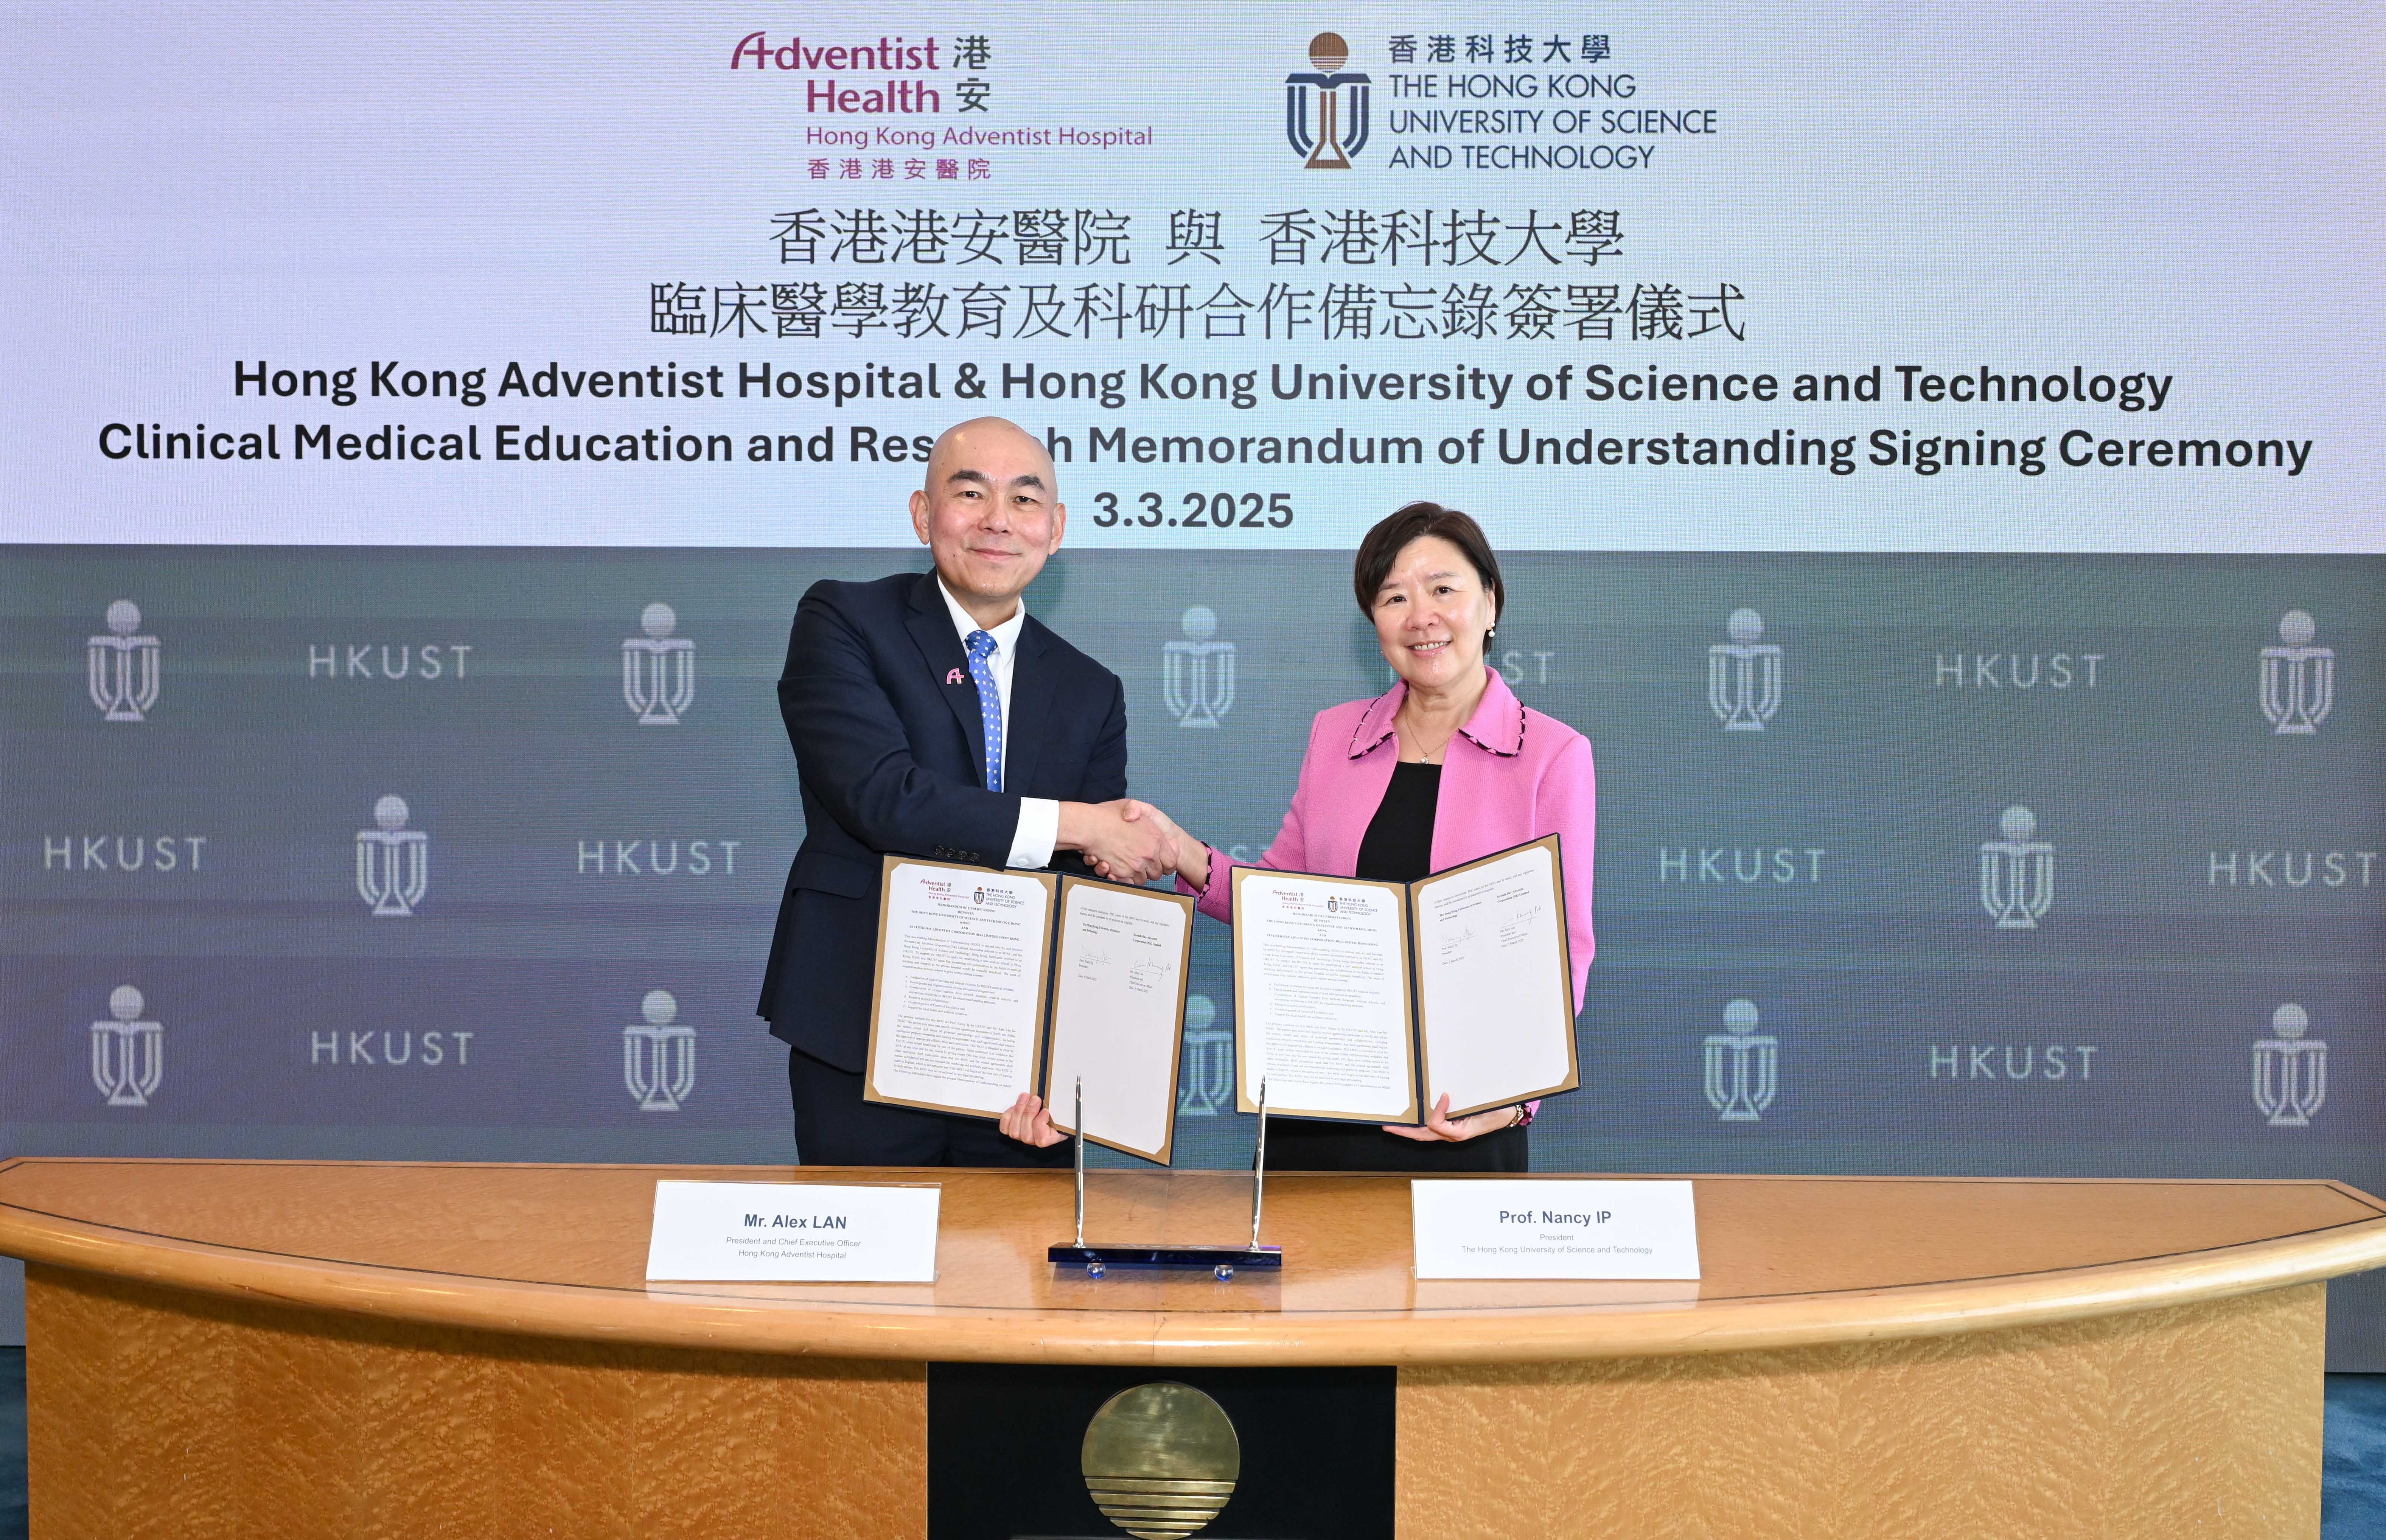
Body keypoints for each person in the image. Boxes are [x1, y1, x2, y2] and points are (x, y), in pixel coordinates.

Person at [1069, 503, 1596, 1171]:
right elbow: (1281, 899)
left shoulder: (1552, 754)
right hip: (1324, 1101)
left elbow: (1566, 948)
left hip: (1462, 1112)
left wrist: (1516, 1102)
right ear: (1374, 622)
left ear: (1490, 603)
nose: (1421, 616)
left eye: (1443, 590)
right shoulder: (1337, 736)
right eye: (1394, 597)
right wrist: (1183, 854)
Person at [759, 416, 1178, 1166]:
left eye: (1024, 500)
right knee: (866, 1275)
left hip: (1021, 1072)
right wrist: (1080, 823)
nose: (997, 520)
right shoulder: (844, 620)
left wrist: (1076, 1068)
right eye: (970, 492)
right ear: (924, 515)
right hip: (863, 1030)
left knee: (1012, 1276)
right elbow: (883, 797)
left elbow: (1085, 890)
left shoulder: (1090, 689)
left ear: (1056, 529)